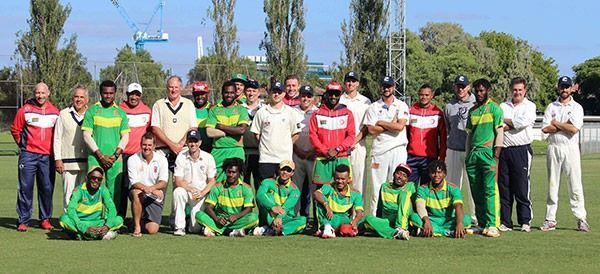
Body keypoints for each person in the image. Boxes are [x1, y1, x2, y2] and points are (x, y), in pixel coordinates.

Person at [540, 76, 589, 232]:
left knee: (575, 184)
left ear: (570, 88)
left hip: (570, 148)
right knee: (553, 185)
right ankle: (550, 219)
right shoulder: (551, 107)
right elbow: (545, 129)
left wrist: (556, 124)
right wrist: (564, 125)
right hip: (554, 146)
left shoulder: (577, 107)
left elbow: (574, 129)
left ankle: (581, 219)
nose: (564, 90)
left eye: (567, 87)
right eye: (562, 87)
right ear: (558, 87)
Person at [11, 82, 60, 231]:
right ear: (34, 93)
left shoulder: (55, 112)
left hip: (47, 157)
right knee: (25, 187)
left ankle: (44, 219)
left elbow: (58, 135)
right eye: (38, 93)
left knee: (46, 188)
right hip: (29, 156)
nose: (40, 96)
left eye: (43, 93)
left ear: (48, 93)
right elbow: (15, 130)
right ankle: (23, 220)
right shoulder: (25, 110)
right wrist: (24, 147)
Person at [82, 80, 130, 219]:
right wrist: (100, 155)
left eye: (111, 93)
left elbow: (125, 136)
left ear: (115, 94)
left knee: (114, 192)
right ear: (100, 93)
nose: (108, 96)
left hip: (115, 159)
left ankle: (111, 221)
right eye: (105, 93)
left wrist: (115, 155)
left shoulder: (120, 113)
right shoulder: (92, 111)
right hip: (96, 158)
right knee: (94, 189)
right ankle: (94, 220)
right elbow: (86, 135)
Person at [364, 76, 410, 215]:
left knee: (396, 184)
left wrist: (381, 122)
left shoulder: (401, 105)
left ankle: (394, 217)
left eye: (389, 86)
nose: (386, 89)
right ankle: (373, 217)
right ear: (381, 87)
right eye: (384, 86)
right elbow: (371, 130)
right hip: (379, 151)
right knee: (377, 186)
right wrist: (392, 124)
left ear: (394, 87)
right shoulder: (373, 107)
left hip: (398, 149)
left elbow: (400, 126)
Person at [465, 78, 504, 237]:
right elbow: (469, 136)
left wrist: (496, 156)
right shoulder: (472, 111)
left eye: (482, 90)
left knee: (489, 190)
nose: (479, 93)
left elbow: (499, 133)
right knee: (476, 191)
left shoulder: (495, 109)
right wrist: (467, 155)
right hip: (473, 156)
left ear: (488, 90)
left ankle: (492, 224)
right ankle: (481, 224)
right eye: (477, 91)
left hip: (488, 154)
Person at [498, 77, 537, 232]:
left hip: (521, 149)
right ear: (511, 90)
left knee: (521, 187)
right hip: (505, 149)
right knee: (505, 187)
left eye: (520, 90)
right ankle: (506, 221)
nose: (517, 92)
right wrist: (511, 122)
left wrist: (508, 122)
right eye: (515, 89)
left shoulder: (530, 106)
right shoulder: (503, 106)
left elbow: (521, 123)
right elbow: (498, 124)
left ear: (525, 90)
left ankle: (525, 221)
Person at [251, 81, 301, 183]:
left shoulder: (291, 112)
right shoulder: (262, 112)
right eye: (274, 92)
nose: (276, 95)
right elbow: (256, 133)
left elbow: (296, 134)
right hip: (266, 158)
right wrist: (266, 145)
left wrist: (285, 144)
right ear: (270, 93)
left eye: (279, 92)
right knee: (266, 189)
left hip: (284, 159)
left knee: (283, 190)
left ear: (284, 94)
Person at [195, 158, 258, 237]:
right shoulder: (217, 187)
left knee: (254, 218)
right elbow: (208, 208)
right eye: (229, 172)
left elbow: (249, 209)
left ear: (239, 173)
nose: (230, 175)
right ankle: (231, 232)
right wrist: (217, 219)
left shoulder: (246, 188)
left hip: (236, 221)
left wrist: (236, 216)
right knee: (199, 215)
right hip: (219, 222)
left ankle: (217, 231)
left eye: (234, 172)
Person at [444, 75, 477, 224]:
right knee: (452, 184)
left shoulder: (476, 103)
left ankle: (476, 217)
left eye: (463, 86)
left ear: (468, 87)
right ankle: (451, 216)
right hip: (453, 149)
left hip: (471, 150)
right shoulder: (449, 106)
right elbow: (447, 128)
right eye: (458, 86)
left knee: (473, 185)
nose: (461, 89)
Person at [309, 81, 355, 186]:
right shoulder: (317, 114)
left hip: (341, 156)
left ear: (340, 95)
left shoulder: (347, 113)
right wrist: (325, 151)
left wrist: (338, 149)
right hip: (322, 158)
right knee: (321, 191)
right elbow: (313, 136)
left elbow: (351, 136)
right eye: (330, 93)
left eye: (336, 94)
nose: (333, 96)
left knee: (342, 192)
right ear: (326, 94)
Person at [59, 167, 124, 240]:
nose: (96, 181)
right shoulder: (79, 190)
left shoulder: (103, 189)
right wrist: (84, 228)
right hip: (82, 222)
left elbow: (112, 209)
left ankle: (82, 235)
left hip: (98, 223)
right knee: (64, 219)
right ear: (87, 178)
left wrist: (107, 226)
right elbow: (71, 210)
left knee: (119, 219)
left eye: (99, 179)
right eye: (93, 178)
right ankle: (97, 235)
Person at [172, 129, 217, 236]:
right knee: (178, 192)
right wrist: (191, 190)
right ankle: (179, 227)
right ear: (187, 142)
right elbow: (178, 180)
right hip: (187, 191)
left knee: (194, 229)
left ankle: (189, 221)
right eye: (191, 141)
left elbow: (212, 181)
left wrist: (201, 193)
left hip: (201, 194)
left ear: (200, 142)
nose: (193, 144)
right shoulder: (181, 157)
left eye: (195, 141)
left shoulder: (208, 157)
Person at [413, 160, 471, 238]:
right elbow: (420, 206)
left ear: (445, 174)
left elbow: (458, 206)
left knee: (466, 219)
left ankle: (432, 231)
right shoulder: (423, 189)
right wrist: (426, 221)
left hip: (448, 220)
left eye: (439, 172)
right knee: (413, 217)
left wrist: (459, 223)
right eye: (433, 172)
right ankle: (449, 232)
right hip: (431, 219)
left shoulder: (453, 188)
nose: (436, 175)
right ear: (429, 174)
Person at [54, 84, 89, 212]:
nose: (78, 100)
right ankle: (69, 225)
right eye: (76, 96)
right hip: (68, 163)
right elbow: (57, 138)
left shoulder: (91, 114)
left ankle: (81, 223)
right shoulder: (63, 114)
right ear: (72, 98)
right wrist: (58, 159)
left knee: (83, 197)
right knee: (68, 196)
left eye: (81, 97)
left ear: (86, 99)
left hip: (86, 163)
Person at [206, 81, 250, 182]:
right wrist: (231, 130)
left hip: (236, 150)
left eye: (231, 92)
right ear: (222, 93)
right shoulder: (214, 110)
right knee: (215, 183)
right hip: (218, 150)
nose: (229, 95)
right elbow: (209, 132)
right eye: (226, 92)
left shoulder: (241, 109)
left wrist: (220, 126)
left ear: (236, 93)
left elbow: (241, 130)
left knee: (236, 183)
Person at [151, 75, 197, 170]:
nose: (173, 90)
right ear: (167, 88)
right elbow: (155, 128)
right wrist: (172, 145)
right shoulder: (158, 104)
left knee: (181, 183)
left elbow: (193, 128)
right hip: (162, 151)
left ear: (180, 88)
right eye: (171, 87)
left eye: (176, 87)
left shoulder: (189, 104)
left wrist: (179, 145)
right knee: (162, 183)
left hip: (184, 150)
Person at [119, 82, 152, 218]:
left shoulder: (147, 111)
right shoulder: (120, 109)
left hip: (140, 156)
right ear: (127, 94)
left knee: (138, 188)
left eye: (137, 94)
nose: (134, 97)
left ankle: (139, 219)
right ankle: (120, 218)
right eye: (132, 94)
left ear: (140, 96)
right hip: (122, 155)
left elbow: (150, 133)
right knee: (122, 189)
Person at [127, 132, 169, 236]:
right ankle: (137, 227)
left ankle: (134, 221)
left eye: (149, 145)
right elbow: (134, 182)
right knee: (136, 193)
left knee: (152, 230)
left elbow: (163, 182)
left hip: (154, 196)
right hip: (140, 192)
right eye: (144, 145)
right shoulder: (132, 159)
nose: (146, 148)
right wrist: (148, 189)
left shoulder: (162, 160)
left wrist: (152, 189)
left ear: (154, 146)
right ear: (141, 145)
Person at [339, 71, 371, 197]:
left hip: (358, 146)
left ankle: (357, 213)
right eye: (348, 81)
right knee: (340, 181)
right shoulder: (339, 99)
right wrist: (344, 144)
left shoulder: (365, 101)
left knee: (358, 182)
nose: (350, 83)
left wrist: (354, 141)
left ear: (357, 83)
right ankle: (341, 211)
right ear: (344, 83)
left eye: (353, 81)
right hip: (341, 147)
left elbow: (367, 125)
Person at [363, 163, 416, 240]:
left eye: (404, 175)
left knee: (404, 194)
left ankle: (401, 228)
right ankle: (395, 233)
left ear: (407, 180)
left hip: (403, 219)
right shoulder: (384, 186)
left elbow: (414, 204)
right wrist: (378, 221)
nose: (400, 177)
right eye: (398, 173)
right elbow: (380, 207)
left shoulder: (410, 186)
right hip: (387, 220)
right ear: (394, 174)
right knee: (368, 219)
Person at [407, 84, 446, 185]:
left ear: (432, 96)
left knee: (427, 189)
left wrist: (441, 158)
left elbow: (442, 138)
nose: (424, 97)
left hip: (430, 158)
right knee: (410, 189)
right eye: (421, 95)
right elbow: (404, 134)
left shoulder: (437, 113)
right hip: (411, 157)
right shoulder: (410, 111)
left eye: (426, 95)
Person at [254, 160, 306, 236]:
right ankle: (274, 228)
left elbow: (287, 207)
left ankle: (278, 231)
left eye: (288, 170)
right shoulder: (267, 182)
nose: (285, 172)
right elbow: (259, 195)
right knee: (269, 196)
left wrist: (279, 217)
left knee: (303, 220)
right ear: (278, 170)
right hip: (269, 214)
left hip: (284, 218)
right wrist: (272, 207)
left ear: (292, 173)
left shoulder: (295, 190)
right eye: (283, 169)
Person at [313, 164, 364, 238]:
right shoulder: (329, 187)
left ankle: (328, 229)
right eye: (337, 178)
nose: (340, 181)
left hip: (343, 218)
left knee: (345, 228)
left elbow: (359, 212)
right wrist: (326, 205)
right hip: (328, 216)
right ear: (334, 178)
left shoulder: (355, 194)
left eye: (343, 179)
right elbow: (316, 193)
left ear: (349, 179)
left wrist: (355, 221)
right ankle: (327, 228)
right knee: (320, 198)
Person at [292, 85, 319, 218]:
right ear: (299, 96)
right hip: (296, 154)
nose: (306, 98)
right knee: (295, 189)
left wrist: (312, 151)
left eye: (308, 96)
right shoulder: (291, 111)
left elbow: (321, 135)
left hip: (313, 156)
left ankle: (317, 220)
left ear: (313, 98)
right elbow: (288, 133)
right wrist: (296, 149)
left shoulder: (318, 112)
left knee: (315, 190)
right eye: (303, 96)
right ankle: (294, 218)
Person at [242, 79, 265, 188]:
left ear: (258, 92)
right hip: (243, 152)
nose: (251, 93)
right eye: (248, 90)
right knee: (244, 184)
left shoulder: (265, 109)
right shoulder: (239, 108)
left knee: (260, 185)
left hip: (260, 152)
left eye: (254, 91)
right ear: (244, 92)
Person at [191, 81, 213, 152]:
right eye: (197, 94)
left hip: (210, 148)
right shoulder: (189, 108)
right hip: (193, 147)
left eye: (202, 94)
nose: (200, 97)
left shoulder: (212, 109)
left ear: (207, 94)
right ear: (193, 95)